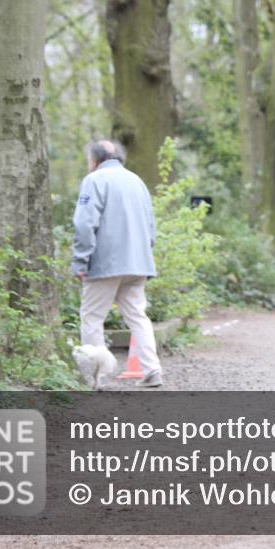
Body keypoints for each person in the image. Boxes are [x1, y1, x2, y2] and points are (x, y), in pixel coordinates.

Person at [72, 139, 164, 388]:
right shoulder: (138, 182)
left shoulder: (94, 181)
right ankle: (152, 369)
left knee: (92, 318)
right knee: (138, 317)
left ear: (94, 160)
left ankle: (95, 377)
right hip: (139, 263)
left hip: (105, 263)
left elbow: (84, 224)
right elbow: (151, 227)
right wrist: (144, 254)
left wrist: (80, 261)